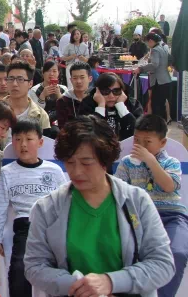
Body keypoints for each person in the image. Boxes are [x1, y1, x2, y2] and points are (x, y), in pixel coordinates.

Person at [24, 115, 175, 297]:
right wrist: (80, 287)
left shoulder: (137, 201)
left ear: (105, 161)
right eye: (70, 163)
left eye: (86, 162)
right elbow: (35, 266)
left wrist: (111, 282)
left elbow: (162, 264)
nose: (76, 171)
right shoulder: (47, 208)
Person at [114, 115, 187, 296]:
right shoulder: (127, 163)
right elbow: (117, 191)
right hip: (138, 217)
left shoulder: (171, 163)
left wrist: (151, 161)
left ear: (162, 143)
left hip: (171, 215)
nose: (141, 146)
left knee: (177, 253)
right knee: (128, 253)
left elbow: (169, 186)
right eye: (137, 140)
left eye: (147, 142)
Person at [0, 120, 66, 297]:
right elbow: (0, 206)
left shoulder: (54, 170)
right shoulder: (6, 172)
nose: (23, 144)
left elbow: (65, 201)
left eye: (29, 139)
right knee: (19, 267)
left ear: (40, 142)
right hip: (25, 225)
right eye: (18, 139)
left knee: (61, 266)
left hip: (51, 224)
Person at [79, 72, 143, 141]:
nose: (111, 96)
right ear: (98, 92)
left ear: (122, 91)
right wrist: (101, 106)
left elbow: (139, 130)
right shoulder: (88, 104)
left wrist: (121, 107)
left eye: (116, 91)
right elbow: (87, 133)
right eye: (106, 91)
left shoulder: (132, 104)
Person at [4, 62, 51, 142]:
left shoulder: (40, 115)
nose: (14, 84)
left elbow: (44, 145)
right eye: (11, 79)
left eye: (20, 79)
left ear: (30, 83)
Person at [134, 32, 172, 121]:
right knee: (161, 104)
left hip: (158, 81)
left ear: (151, 41)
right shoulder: (163, 48)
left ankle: (157, 124)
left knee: (156, 105)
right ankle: (162, 123)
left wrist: (141, 68)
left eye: (147, 42)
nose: (148, 45)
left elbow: (154, 64)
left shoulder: (155, 50)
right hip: (165, 79)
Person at [28, 61, 66, 134]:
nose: (51, 74)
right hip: (41, 123)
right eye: (48, 71)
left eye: (54, 71)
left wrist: (59, 95)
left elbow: (66, 109)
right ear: (43, 73)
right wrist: (42, 96)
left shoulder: (63, 89)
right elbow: (35, 113)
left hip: (59, 122)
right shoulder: (35, 90)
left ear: (58, 73)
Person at [56, 62, 91, 130]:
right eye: (75, 78)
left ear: (90, 79)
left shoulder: (96, 98)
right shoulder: (63, 101)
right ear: (71, 80)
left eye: (82, 77)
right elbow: (63, 128)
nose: (78, 81)